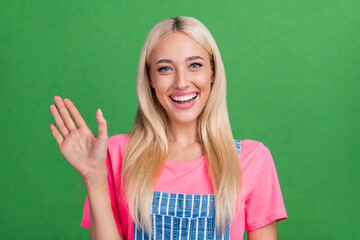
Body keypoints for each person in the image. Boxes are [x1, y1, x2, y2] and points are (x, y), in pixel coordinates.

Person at [49, 16, 287, 240]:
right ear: (150, 79)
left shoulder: (252, 160)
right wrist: (93, 176)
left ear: (212, 72)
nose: (181, 82)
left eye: (195, 65)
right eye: (165, 69)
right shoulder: (117, 154)